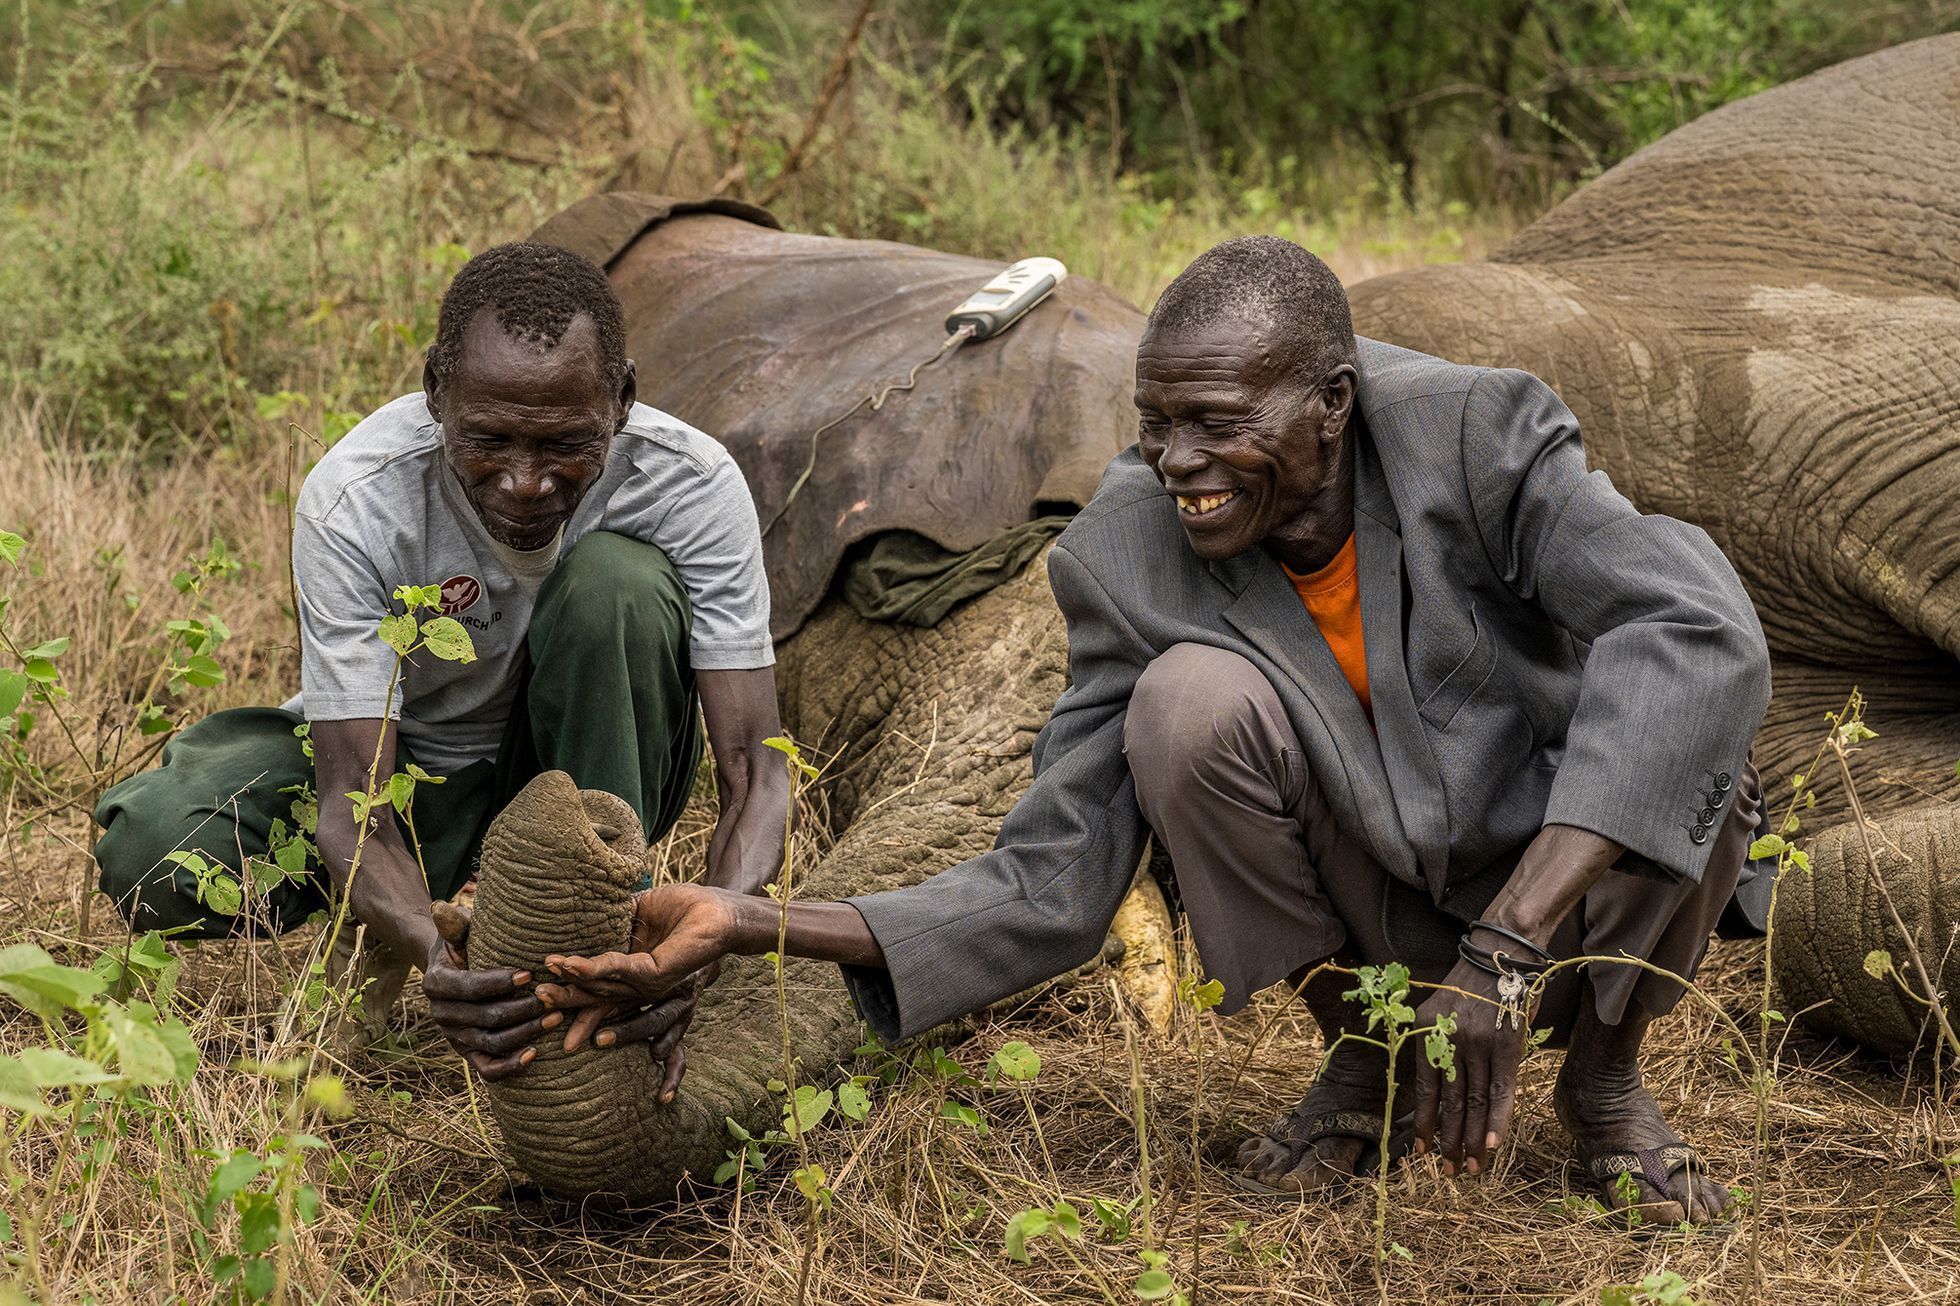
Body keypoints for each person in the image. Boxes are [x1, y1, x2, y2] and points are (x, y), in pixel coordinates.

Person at [540, 236, 1771, 1225]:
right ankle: (1361, 1058)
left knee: (1684, 695)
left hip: (1563, 886)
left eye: (1217, 421)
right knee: (1183, 705)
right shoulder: (1128, 549)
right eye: (1154, 421)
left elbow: (1698, 627)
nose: (1178, 463)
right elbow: (1049, 875)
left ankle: (1605, 1079)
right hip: (1381, 889)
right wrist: (755, 922)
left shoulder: (1477, 435)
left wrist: (1505, 948)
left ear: (1331, 402)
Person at [93, 243, 790, 1100]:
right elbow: (354, 800)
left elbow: (758, 767)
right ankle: (399, 921)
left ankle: (604, 920)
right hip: (409, 776)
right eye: (488, 439)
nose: (527, 482)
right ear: (435, 393)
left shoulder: (690, 484)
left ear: (623, 401)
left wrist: (704, 938)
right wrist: (434, 954)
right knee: (152, 850)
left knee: (619, 584)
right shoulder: (360, 497)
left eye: (568, 444)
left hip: (582, 767)